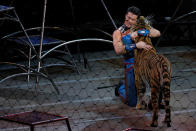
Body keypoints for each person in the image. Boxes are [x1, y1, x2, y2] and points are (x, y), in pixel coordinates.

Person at [112, 6, 160, 107]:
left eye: (132, 19)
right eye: (128, 17)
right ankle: (121, 88)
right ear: (126, 15)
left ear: (137, 20)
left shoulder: (140, 27)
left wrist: (140, 32)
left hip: (145, 62)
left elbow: (157, 33)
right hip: (131, 64)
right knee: (132, 103)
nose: (128, 20)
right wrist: (136, 45)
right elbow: (118, 50)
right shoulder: (118, 32)